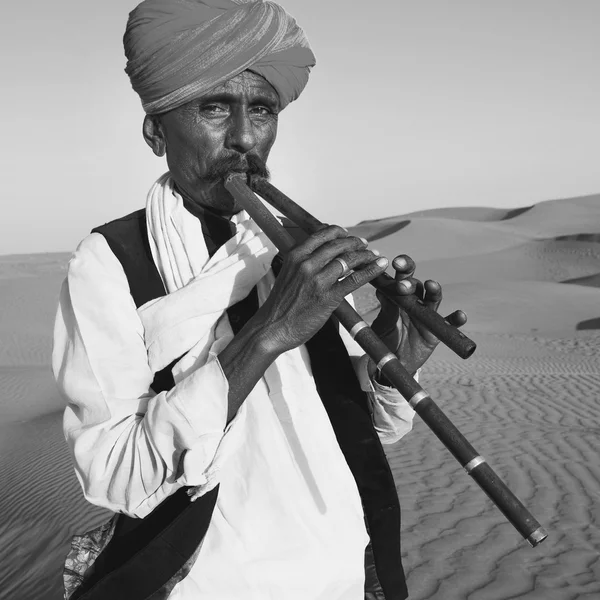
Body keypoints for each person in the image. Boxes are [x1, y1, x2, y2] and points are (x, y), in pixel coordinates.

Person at [53, 1, 464, 599]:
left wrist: (394, 363)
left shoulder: (297, 246)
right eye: (214, 107)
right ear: (154, 130)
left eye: (263, 109)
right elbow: (117, 477)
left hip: (348, 576)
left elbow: (350, 429)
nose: (246, 138)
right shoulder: (111, 263)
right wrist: (270, 330)